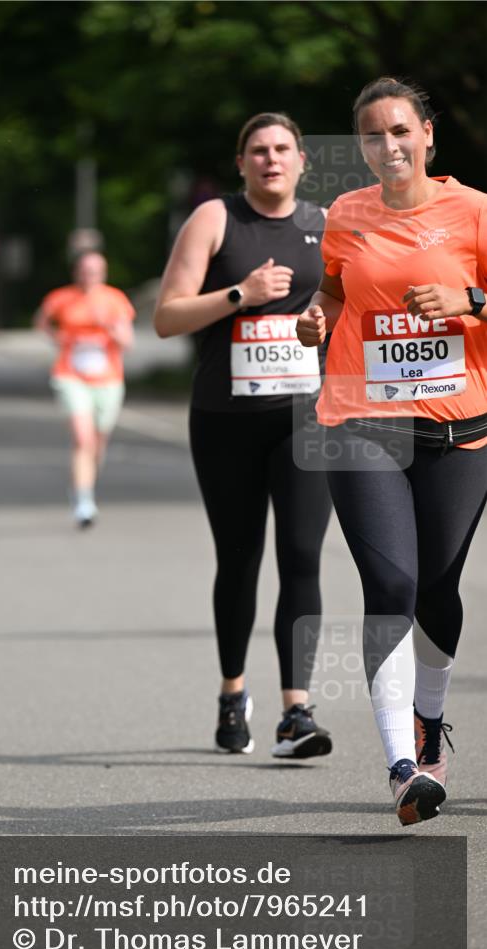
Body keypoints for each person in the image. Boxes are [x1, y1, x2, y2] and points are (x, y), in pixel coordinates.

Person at [296, 77, 487, 825]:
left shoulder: (472, 211)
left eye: (399, 131)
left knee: (438, 588)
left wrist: (470, 303)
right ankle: (401, 767)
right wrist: (317, 319)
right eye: (372, 136)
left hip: (457, 427)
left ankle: (428, 724)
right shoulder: (346, 213)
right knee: (392, 585)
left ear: (426, 135)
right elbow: (337, 295)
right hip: (359, 420)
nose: (387, 146)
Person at [154, 113, 333, 758]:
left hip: (306, 417)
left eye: (283, 148)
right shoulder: (214, 220)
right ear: (241, 163)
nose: (271, 159)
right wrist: (241, 293)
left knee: (303, 556)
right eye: (258, 150)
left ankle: (297, 710)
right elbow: (166, 318)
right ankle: (233, 691)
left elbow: (352, 311)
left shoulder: (325, 224)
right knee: (239, 558)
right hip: (226, 419)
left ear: (302, 159)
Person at [36, 251, 135, 528]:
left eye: (95, 270)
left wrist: (109, 329)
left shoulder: (114, 300)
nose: (89, 275)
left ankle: (85, 484)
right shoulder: (61, 298)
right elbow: (41, 321)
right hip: (71, 375)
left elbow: (128, 343)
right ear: (76, 272)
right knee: (83, 439)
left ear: (103, 273)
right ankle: (83, 500)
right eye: (84, 270)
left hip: (108, 379)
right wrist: (58, 337)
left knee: (98, 441)